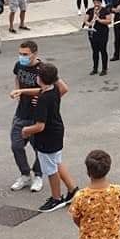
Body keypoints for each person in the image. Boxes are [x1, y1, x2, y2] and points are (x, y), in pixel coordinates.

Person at [8, 41, 69, 194]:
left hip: (37, 116)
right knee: (16, 146)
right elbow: (17, 78)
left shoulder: (44, 70)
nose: (22, 57)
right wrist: (18, 90)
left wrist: (46, 101)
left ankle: (38, 175)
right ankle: (25, 174)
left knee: (39, 149)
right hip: (21, 113)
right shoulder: (19, 65)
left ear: (34, 54)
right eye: (20, 53)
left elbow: (61, 88)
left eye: (25, 54)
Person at [20, 63, 79, 213]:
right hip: (57, 132)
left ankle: (56, 198)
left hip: (47, 138)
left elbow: (40, 126)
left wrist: (26, 130)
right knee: (57, 162)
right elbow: (61, 86)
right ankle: (73, 190)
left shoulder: (43, 99)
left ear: (40, 79)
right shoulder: (55, 90)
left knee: (51, 169)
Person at [84, 0, 112, 76]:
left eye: (98, 2)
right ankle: (95, 68)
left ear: (101, 2)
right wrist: (90, 23)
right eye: (95, 2)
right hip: (93, 33)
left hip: (102, 33)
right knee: (95, 51)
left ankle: (104, 68)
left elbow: (109, 21)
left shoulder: (105, 10)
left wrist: (99, 20)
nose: (96, 4)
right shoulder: (90, 11)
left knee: (103, 50)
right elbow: (85, 20)